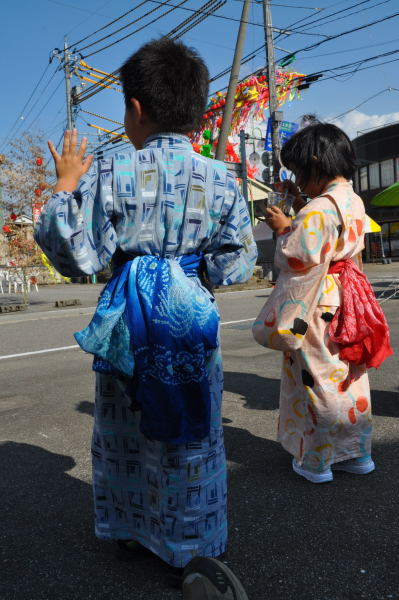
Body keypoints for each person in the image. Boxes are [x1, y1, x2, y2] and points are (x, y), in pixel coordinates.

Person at [34, 38, 257, 585]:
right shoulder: (223, 177)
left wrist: (64, 186)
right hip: (187, 317)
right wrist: (187, 278)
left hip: (126, 316)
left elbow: (75, 255)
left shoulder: (111, 171)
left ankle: (131, 529)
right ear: (198, 105)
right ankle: (192, 546)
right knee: (190, 425)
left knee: (124, 420)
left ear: (136, 109)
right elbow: (238, 263)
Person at [253, 122, 393, 484]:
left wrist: (285, 227)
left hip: (319, 300)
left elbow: (298, 257)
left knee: (316, 377)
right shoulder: (352, 199)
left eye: (300, 171)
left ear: (316, 161)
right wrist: (301, 210)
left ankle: (316, 462)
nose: (299, 181)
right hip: (350, 295)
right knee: (348, 375)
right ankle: (357, 454)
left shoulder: (319, 208)